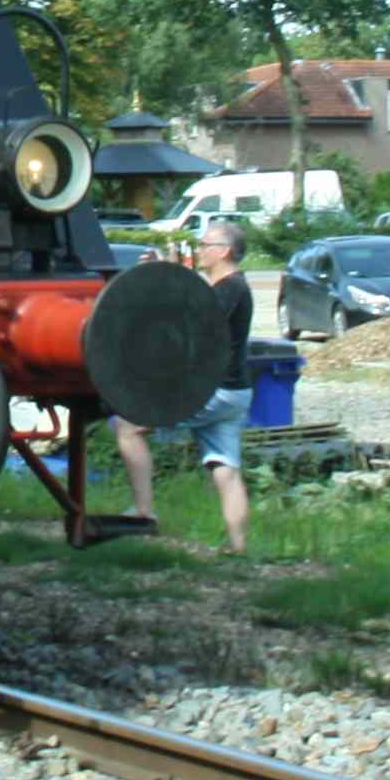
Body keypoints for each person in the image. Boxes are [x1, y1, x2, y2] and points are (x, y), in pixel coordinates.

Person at [111, 217, 259, 555]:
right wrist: (173, 273)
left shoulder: (231, 289)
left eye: (205, 245)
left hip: (215, 391)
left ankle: (144, 510)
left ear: (224, 251)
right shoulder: (230, 287)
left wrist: (170, 275)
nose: (201, 250)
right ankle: (238, 548)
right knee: (225, 467)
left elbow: (191, 320)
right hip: (234, 392)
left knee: (129, 425)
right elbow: (196, 303)